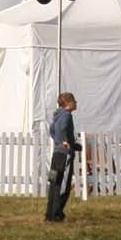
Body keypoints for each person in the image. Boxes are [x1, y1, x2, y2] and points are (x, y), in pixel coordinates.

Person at [44, 91, 79, 224]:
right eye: (74, 101)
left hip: (56, 154)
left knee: (54, 183)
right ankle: (57, 214)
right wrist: (65, 141)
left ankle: (49, 214)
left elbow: (52, 130)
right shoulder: (67, 115)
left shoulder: (57, 116)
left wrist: (58, 141)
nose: (76, 103)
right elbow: (64, 128)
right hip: (65, 155)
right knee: (63, 184)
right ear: (68, 104)